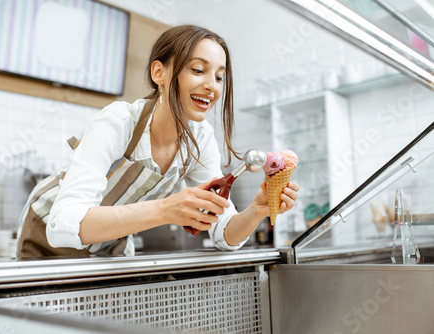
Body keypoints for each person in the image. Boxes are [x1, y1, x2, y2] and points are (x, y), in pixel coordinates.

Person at [16, 25, 299, 259]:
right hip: (45, 236)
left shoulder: (200, 139)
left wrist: (256, 211)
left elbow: (223, 233)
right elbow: (62, 223)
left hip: (107, 244)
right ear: (158, 73)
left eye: (219, 76)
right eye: (198, 70)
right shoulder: (118, 122)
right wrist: (165, 209)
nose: (212, 86)